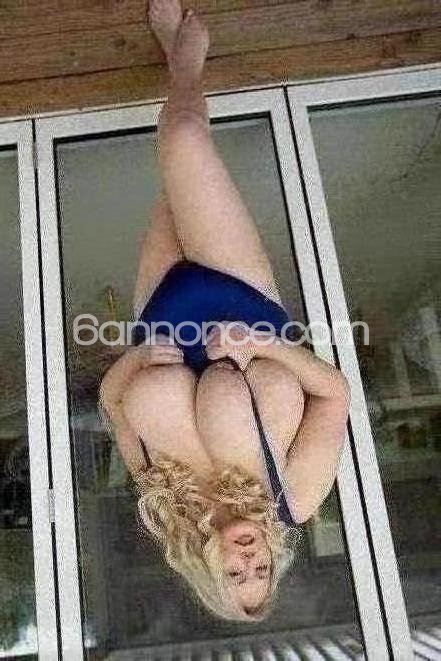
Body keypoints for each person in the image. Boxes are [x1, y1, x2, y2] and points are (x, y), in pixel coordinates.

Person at [99, 0, 350, 622]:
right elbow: (335, 395)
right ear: (275, 559)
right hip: (241, 305)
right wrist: (264, 347)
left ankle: (178, 70)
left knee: (174, 168)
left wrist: (140, 357)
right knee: (184, 141)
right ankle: (186, 59)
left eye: (234, 574)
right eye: (261, 570)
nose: (248, 559)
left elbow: (113, 406)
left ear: (205, 569)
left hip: (161, 311)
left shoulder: (167, 508)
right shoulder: (293, 499)